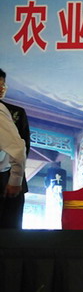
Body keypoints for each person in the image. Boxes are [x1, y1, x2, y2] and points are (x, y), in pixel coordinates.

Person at [0, 69, 30, 228]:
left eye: (3, 85)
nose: (1, 88)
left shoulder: (13, 112)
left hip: (8, 178)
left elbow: (21, 147)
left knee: (9, 230)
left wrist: (15, 178)